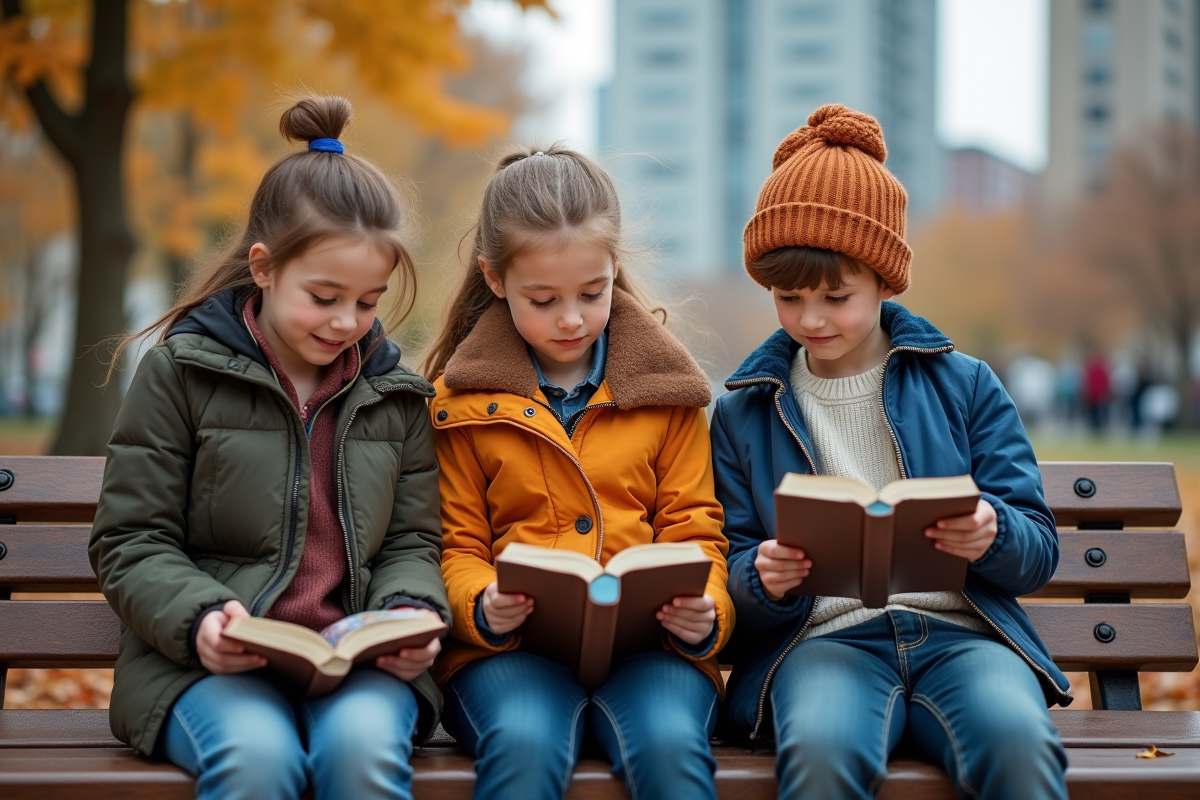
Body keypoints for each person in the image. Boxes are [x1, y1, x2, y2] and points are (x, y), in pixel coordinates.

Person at [89, 95, 450, 800]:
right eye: (324, 296)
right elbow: (131, 539)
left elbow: (413, 543)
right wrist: (200, 620)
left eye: (368, 301)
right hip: (207, 666)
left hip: (356, 667)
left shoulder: (397, 396)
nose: (346, 322)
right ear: (263, 267)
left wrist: (411, 610)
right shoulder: (181, 373)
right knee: (258, 759)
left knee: (362, 753)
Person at [711, 105, 1070, 800]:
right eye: (789, 297)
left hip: (964, 639)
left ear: (884, 280)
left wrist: (991, 533)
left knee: (1017, 745)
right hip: (822, 647)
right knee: (821, 752)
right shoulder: (741, 413)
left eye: (836, 296)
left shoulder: (965, 384)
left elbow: (1037, 549)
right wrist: (761, 578)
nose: (812, 318)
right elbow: (727, 575)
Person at [422, 144, 733, 800]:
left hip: (653, 651)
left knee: (670, 746)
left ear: (615, 268)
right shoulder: (457, 404)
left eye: (593, 293)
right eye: (543, 299)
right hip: (508, 654)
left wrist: (706, 611)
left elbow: (696, 529)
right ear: (494, 278)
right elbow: (454, 546)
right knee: (524, 744)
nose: (571, 319)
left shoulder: (668, 393)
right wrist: (482, 605)